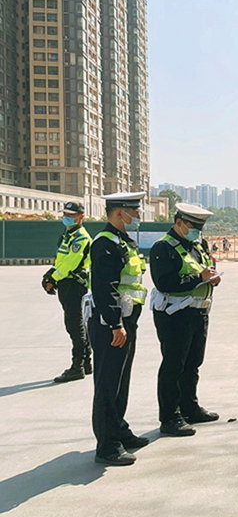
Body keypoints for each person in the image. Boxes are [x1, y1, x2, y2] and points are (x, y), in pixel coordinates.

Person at [149, 204, 222, 437]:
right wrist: (199, 277)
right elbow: (164, 282)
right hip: (175, 314)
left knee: (193, 363)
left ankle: (190, 407)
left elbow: (206, 270)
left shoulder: (197, 245)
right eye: (193, 226)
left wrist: (211, 278)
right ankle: (170, 417)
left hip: (198, 312)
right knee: (174, 365)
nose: (197, 231)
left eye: (200, 228)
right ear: (179, 222)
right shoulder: (163, 248)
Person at [88, 191, 149, 465]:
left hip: (126, 321)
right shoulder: (105, 243)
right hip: (111, 324)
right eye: (134, 212)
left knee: (120, 381)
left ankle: (119, 430)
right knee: (107, 384)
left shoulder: (124, 241)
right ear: (120, 213)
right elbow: (105, 287)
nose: (138, 216)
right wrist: (115, 323)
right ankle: (107, 446)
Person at [42, 201, 94, 383]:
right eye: (65, 214)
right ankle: (86, 362)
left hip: (73, 284)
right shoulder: (69, 235)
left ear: (81, 217)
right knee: (76, 323)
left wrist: (53, 278)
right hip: (66, 283)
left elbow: (70, 264)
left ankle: (77, 366)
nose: (66, 218)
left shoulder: (81, 237)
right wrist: (51, 273)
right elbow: (61, 260)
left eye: (71, 215)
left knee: (74, 324)